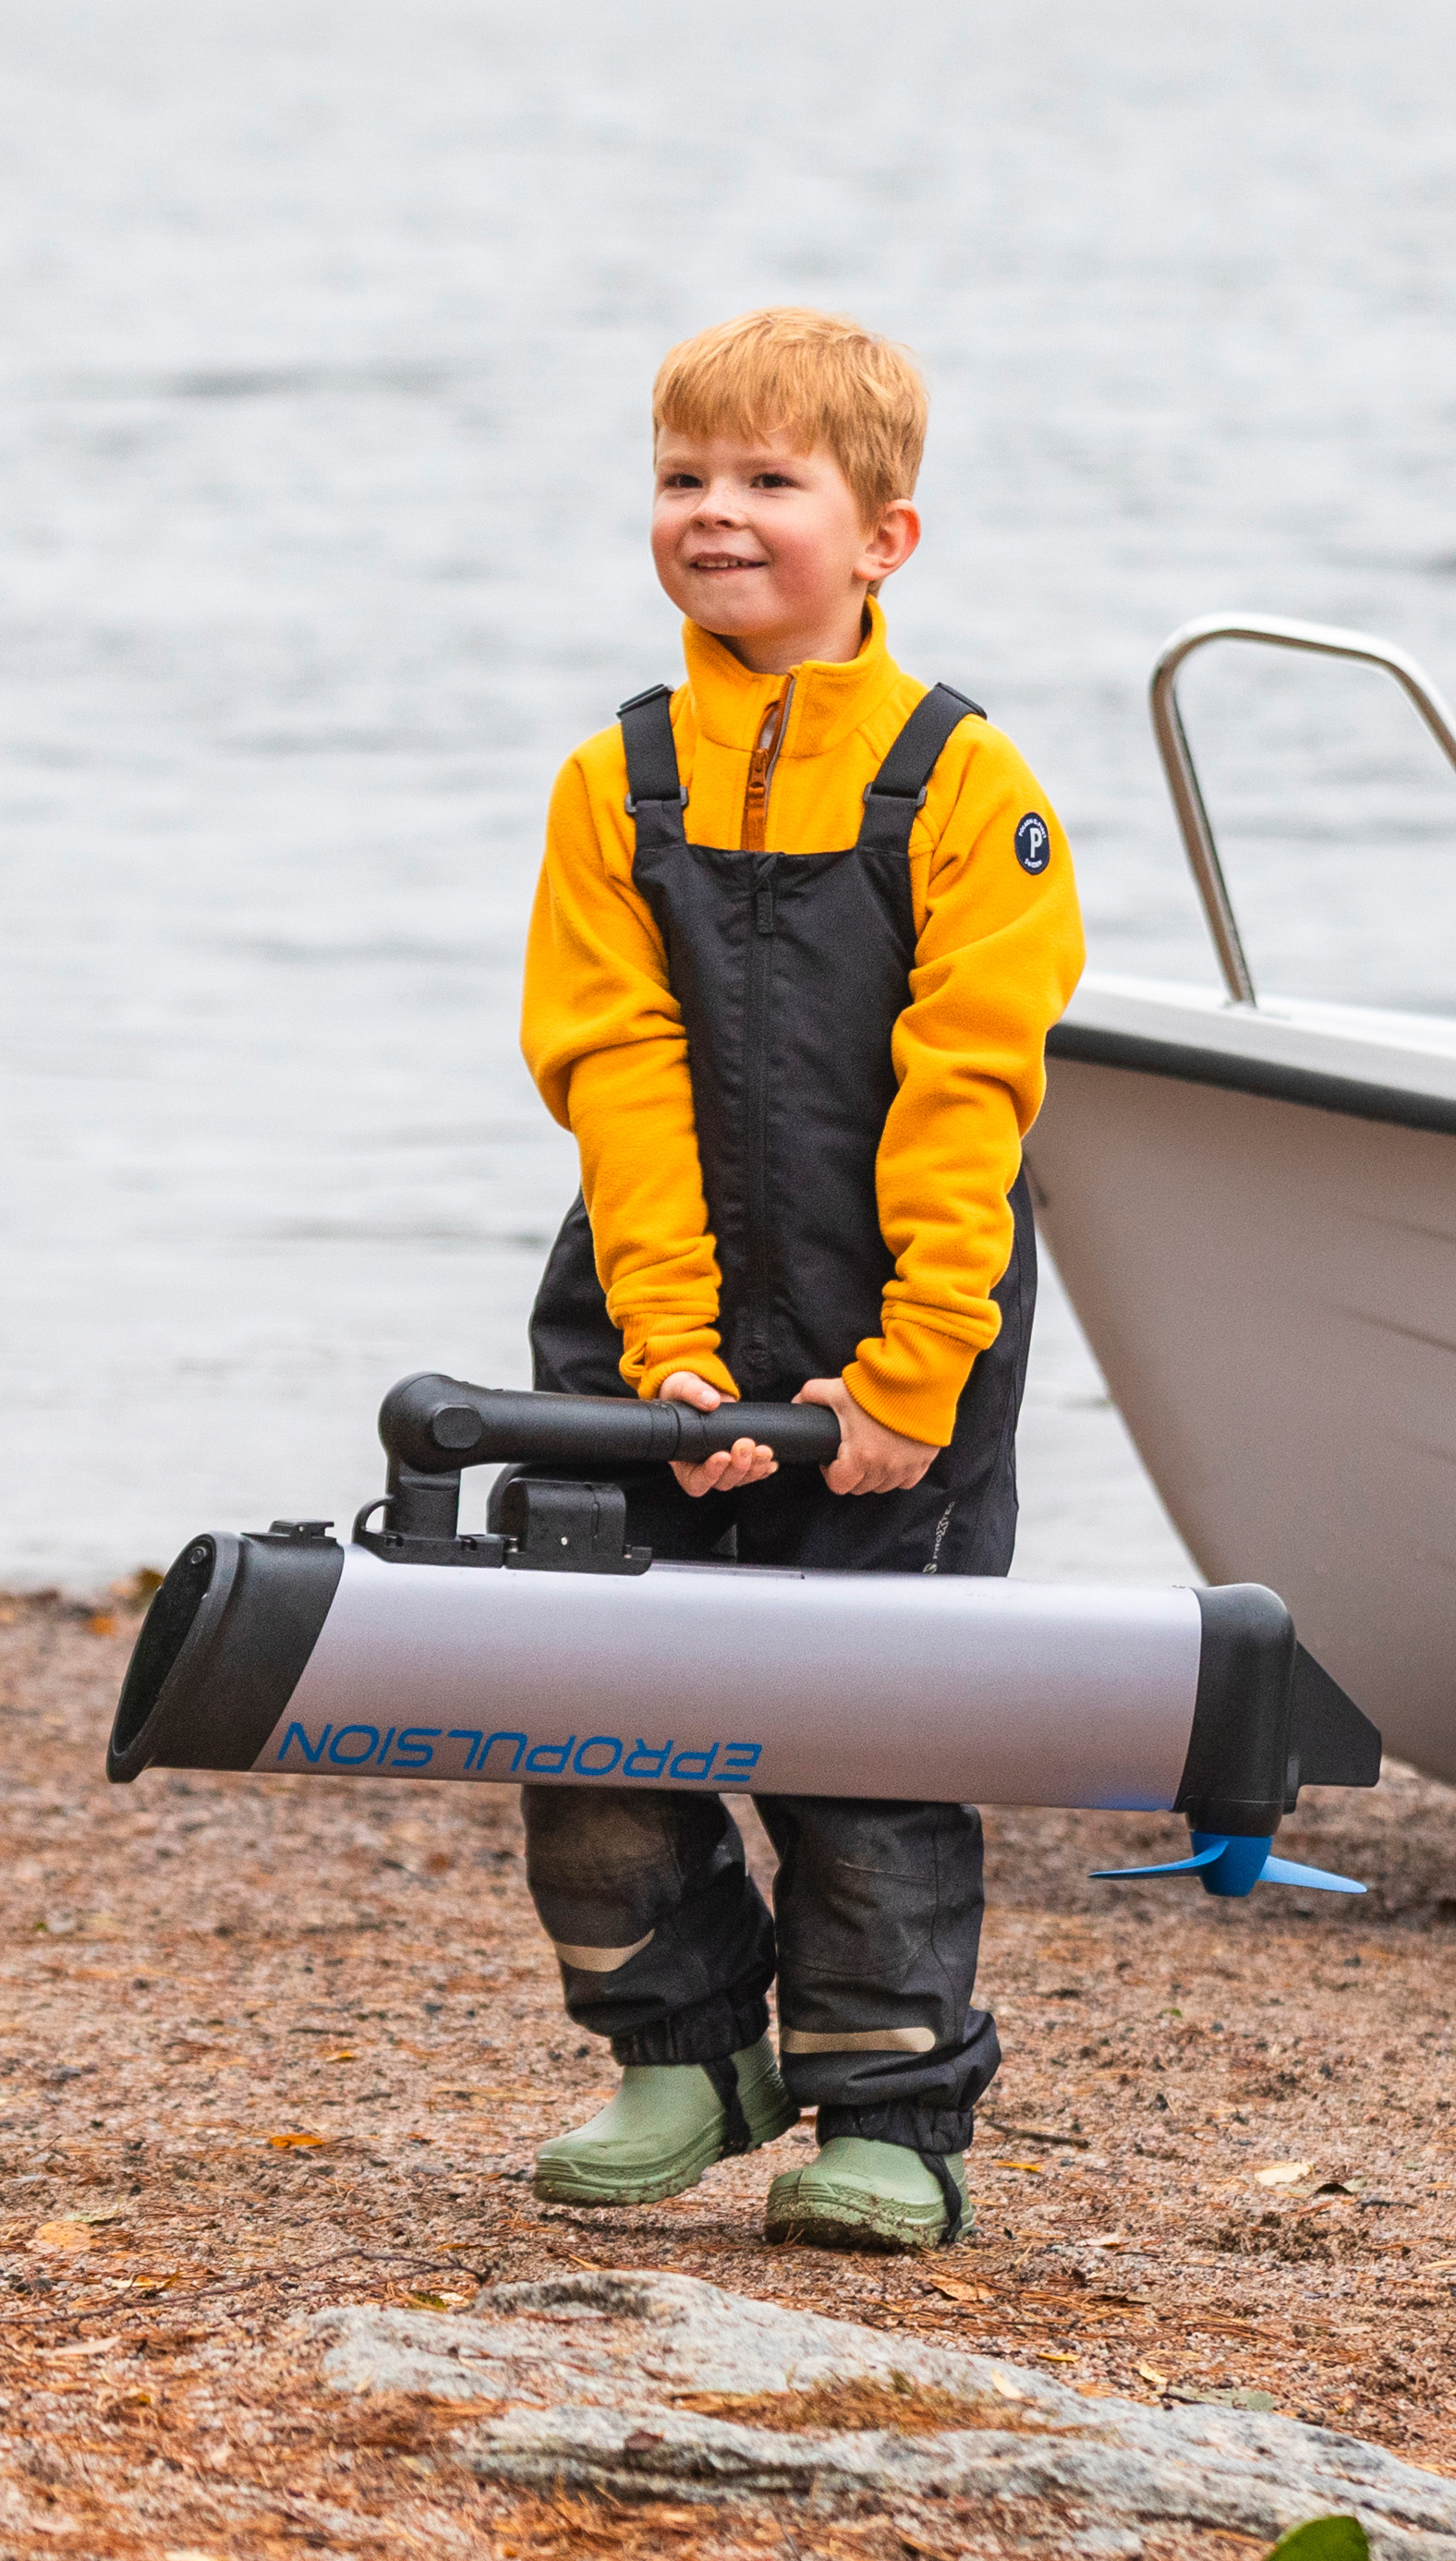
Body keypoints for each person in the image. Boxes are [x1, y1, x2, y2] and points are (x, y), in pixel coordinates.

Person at [504, 307, 1082, 2252]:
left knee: (866, 1729)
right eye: (683, 480)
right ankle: (677, 2046)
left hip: (893, 1318)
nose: (715, 515)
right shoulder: (617, 783)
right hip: (644, 1313)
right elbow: (614, 1071)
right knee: (591, 1689)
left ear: (885, 537)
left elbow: (971, 1093)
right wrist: (663, 1349)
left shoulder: (964, 786)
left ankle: (888, 2109)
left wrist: (910, 1373)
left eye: (768, 482)